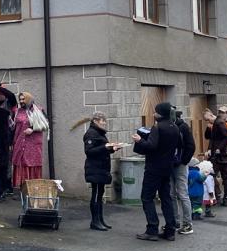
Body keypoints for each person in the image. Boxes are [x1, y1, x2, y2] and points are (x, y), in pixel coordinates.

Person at [132, 102, 179, 241]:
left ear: (160, 113)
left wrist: (140, 140)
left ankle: (152, 229)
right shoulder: (175, 127)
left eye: (155, 112)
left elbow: (151, 146)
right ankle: (170, 230)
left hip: (154, 168)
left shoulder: (157, 127)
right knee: (166, 198)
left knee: (147, 197)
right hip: (167, 167)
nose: (154, 114)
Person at [83, 112, 124, 231]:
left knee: (100, 194)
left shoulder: (99, 133)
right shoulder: (91, 133)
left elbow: (101, 149)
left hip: (101, 168)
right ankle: (95, 222)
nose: (104, 123)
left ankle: (100, 220)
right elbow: (89, 151)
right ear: (95, 121)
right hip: (95, 168)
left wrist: (112, 148)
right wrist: (105, 147)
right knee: (96, 194)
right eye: (102, 121)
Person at [10, 90, 46, 187]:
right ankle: (22, 189)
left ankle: (33, 188)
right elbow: (13, 127)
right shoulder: (17, 111)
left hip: (33, 144)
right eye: (20, 99)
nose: (21, 101)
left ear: (29, 99)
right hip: (19, 143)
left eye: (23, 99)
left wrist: (32, 129)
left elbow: (46, 124)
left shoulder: (38, 110)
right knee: (20, 163)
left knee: (31, 163)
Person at [171, 109, 196, 234]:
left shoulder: (183, 127)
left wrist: (184, 161)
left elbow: (191, 146)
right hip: (170, 164)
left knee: (182, 194)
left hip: (180, 164)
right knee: (171, 194)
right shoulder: (169, 126)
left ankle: (187, 224)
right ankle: (175, 222)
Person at [205, 107, 227, 207]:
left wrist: (219, 148)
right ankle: (222, 197)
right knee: (219, 177)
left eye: (207, 119)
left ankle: (221, 197)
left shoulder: (219, 123)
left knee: (214, 176)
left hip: (221, 155)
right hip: (221, 155)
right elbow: (212, 138)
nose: (207, 121)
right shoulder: (218, 123)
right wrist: (210, 149)